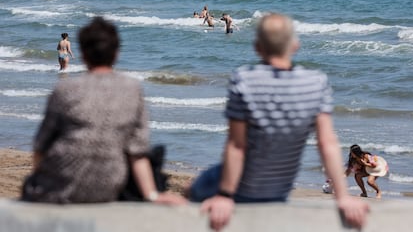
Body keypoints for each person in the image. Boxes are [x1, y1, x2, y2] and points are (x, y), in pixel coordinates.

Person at [189, 13, 369, 231]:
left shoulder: (244, 79)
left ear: (257, 47)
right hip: (278, 189)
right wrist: (342, 196)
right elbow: (327, 143)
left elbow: (236, 145)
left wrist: (225, 195)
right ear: (295, 45)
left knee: (192, 193)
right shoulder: (315, 83)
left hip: (240, 184)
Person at [22, 17, 186, 206]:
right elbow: (138, 151)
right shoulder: (132, 89)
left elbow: (40, 146)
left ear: (83, 55)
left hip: (63, 188)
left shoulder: (65, 90)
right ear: (116, 54)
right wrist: (152, 195)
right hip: (109, 187)